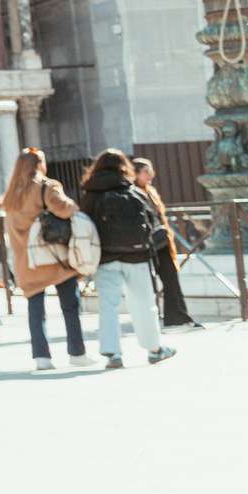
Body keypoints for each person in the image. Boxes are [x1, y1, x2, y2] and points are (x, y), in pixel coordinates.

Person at [79, 149, 177, 370]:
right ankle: (154, 349)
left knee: (108, 305)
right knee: (144, 303)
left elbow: (83, 224)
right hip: (137, 255)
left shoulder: (91, 194)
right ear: (124, 166)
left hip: (105, 257)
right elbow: (152, 221)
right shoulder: (132, 190)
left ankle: (113, 353)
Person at [2, 149, 87, 370]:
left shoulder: (11, 193)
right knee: (70, 305)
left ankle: (42, 357)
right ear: (40, 164)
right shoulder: (46, 186)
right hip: (52, 257)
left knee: (35, 310)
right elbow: (66, 209)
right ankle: (76, 352)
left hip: (26, 261)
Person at [133, 158, 197, 329]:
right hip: (145, 244)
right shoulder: (132, 193)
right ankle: (149, 318)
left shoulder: (150, 191)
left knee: (171, 277)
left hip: (161, 241)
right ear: (136, 173)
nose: (150, 175)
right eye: (146, 171)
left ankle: (178, 316)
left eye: (151, 171)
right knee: (147, 283)